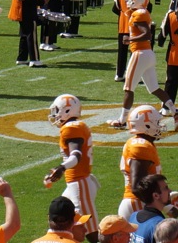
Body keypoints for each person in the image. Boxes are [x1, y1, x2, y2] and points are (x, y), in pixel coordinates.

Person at [106, 0, 178, 129]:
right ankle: (174, 111)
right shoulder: (141, 12)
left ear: (137, 0)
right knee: (154, 88)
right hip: (147, 54)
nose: (128, 1)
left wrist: (130, 39)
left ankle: (122, 120)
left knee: (128, 88)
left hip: (139, 54)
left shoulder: (139, 14)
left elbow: (147, 34)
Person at [44, 94, 100, 243]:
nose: (54, 114)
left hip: (80, 184)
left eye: (57, 110)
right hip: (77, 182)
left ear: (67, 110)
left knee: (91, 232)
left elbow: (76, 155)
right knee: (59, 218)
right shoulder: (76, 125)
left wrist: (62, 168)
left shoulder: (71, 128)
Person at [115, 105, 167, 219]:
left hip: (137, 203)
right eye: (157, 122)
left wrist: (167, 196)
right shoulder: (141, 146)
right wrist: (164, 205)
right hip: (138, 204)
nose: (159, 126)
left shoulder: (141, 143)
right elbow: (137, 186)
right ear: (147, 125)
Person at [112, 0, 146, 82]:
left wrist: (124, 14)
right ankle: (133, 74)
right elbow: (147, 7)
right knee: (135, 51)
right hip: (137, 25)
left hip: (123, 24)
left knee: (122, 51)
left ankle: (119, 74)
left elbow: (115, 8)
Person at [129, 175, 178, 243]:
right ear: (156, 195)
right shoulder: (159, 225)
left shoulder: (133, 216)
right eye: (166, 188)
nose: (170, 191)